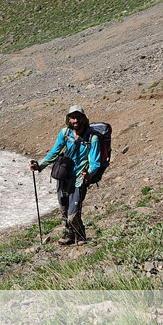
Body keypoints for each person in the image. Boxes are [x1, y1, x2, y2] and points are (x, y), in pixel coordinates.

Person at [29, 105, 101, 245]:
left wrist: (89, 174)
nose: (76, 120)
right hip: (64, 177)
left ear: (83, 119)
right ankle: (69, 234)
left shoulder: (92, 138)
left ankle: (80, 235)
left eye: (78, 117)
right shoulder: (65, 133)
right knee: (63, 209)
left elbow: (95, 162)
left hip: (80, 180)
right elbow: (54, 152)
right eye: (73, 117)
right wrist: (40, 166)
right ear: (68, 119)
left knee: (73, 214)